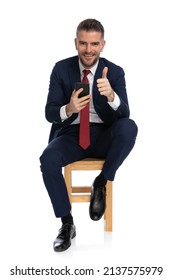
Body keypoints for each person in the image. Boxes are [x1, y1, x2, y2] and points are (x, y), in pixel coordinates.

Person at [40, 18, 138, 252]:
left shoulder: (114, 72)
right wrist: (69, 108)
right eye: (83, 43)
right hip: (72, 135)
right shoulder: (61, 69)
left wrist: (113, 96)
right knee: (48, 160)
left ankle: (102, 181)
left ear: (102, 44)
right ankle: (67, 224)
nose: (88, 50)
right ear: (76, 43)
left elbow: (125, 114)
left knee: (130, 127)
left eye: (94, 44)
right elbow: (49, 112)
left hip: (104, 134)